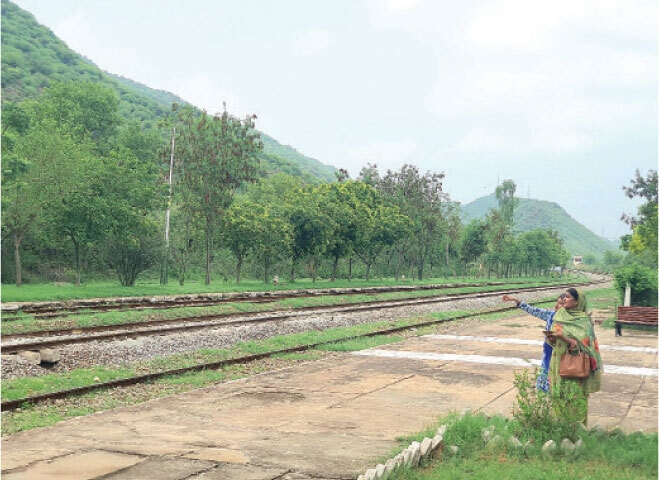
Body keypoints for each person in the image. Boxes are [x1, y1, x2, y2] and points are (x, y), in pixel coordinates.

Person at [504, 288, 603, 423]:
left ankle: (577, 428)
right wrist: (552, 339)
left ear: (577, 302)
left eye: (567, 297)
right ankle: (560, 425)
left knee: (575, 396)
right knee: (558, 394)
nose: (563, 301)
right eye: (562, 299)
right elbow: (551, 334)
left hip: (576, 365)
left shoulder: (584, 322)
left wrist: (564, 338)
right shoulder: (559, 316)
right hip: (556, 362)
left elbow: (587, 348)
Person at [502, 293, 565, 392]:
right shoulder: (551, 315)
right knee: (545, 379)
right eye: (557, 303)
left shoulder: (571, 321)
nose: (556, 306)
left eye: (561, 304)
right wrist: (516, 301)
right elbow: (534, 310)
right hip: (548, 354)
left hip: (562, 357)